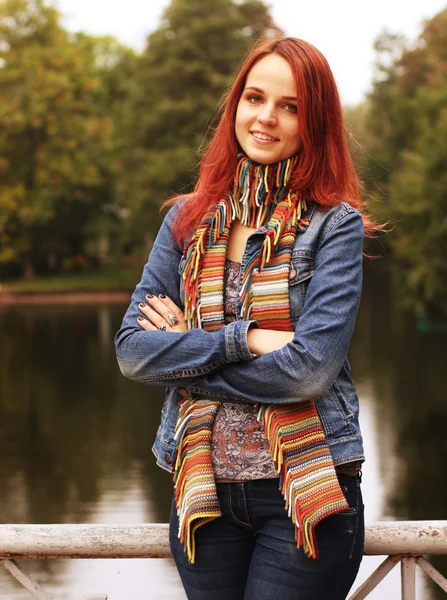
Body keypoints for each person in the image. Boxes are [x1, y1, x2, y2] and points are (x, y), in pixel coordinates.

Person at [116, 34, 378, 600]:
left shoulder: (334, 226)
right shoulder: (187, 220)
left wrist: (188, 357)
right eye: (255, 98)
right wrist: (249, 338)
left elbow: (309, 371)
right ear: (235, 104)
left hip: (304, 495)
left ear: (315, 123)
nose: (266, 118)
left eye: (290, 107)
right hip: (202, 493)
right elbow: (132, 351)